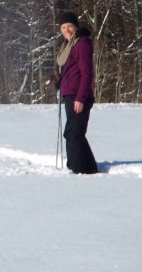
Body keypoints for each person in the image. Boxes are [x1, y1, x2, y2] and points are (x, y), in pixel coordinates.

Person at [55, 11, 98, 174]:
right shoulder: (69, 45)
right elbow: (70, 71)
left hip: (79, 97)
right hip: (69, 95)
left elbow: (87, 73)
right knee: (76, 133)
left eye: (70, 26)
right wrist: (59, 81)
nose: (66, 30)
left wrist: (80, 98)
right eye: (63, 27)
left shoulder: (82, 44)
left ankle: (79, 170)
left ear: (76, 27)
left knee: (73, 133)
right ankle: (89, 169)